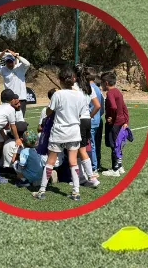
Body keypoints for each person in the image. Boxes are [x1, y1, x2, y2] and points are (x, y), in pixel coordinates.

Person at [35, 69, 89, 201]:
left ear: (60, 80)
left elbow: (49, 112)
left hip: (59, 132)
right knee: (73, 162)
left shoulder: (57, 95)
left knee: (50, 161)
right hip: (74, 131)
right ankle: (76, 192)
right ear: (74, 79)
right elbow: (81, 114)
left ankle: (42, 190)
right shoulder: (80, 95)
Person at [100, 71, 132, 176]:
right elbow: (124, 107)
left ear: (106, 83)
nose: (101, 85)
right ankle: (120, 166)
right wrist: (126, 121)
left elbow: (114, 107)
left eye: (101, 83)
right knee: (118, 144)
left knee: (114, 145)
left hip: (114, 124)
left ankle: (115, 169)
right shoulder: (118, 91)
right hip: (121, 122)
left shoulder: (110, 93)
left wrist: (112, 119)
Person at [0, 50, 30, 121]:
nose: (9, 64)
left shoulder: (20, 67)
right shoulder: (3, 69)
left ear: (14, 61)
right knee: (9, 121)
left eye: (11, 61)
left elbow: (27, 64)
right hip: (9, 100)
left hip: (21, 99)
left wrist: (16, 56)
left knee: (20, 120)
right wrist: (0, 56)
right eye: (7, 62)